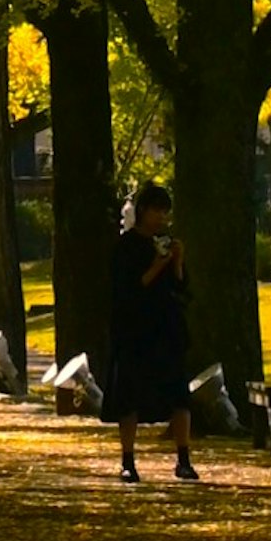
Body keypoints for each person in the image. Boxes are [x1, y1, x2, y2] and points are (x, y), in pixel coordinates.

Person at [108, 175, 194, 484]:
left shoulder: (167, 244)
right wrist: (157, 265)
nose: (162, 217)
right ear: (143, 211)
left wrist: (177, 262)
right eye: (157, 210)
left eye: (165, 212)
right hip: (135, 329)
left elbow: (183, 288)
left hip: (166, 327)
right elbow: (130, 288)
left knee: (179, 395)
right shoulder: (126, 247)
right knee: (129, 397)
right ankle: (128, 460)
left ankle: (183, 458)